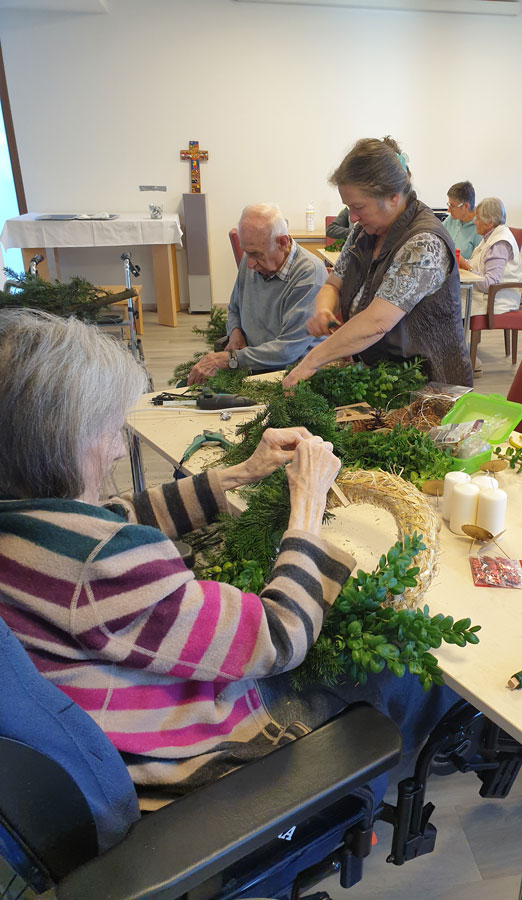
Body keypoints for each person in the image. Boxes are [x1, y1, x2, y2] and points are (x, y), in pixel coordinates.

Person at [0, 309, 459, 804]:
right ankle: (415, 766)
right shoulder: (103, 567)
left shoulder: (28, 528)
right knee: (403, 667)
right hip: (183, 752)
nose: (117, 450)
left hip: (112, 723)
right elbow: (281, 637)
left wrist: (241, 472)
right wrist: (307, 507)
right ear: (62, 444)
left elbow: (114, 514)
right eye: (110, 431)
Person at [282, 137, 473, 390]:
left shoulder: (424, 243)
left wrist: (312, 361)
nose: (352, 217)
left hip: (428, 390)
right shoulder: (364, 231)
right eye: (349, 207)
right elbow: (333, 285)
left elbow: (377, 322)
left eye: (359, 206)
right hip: (382, 383)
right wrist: (323, 310)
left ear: (393, 196)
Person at [187, 204, 327, 385]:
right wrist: (235, 332)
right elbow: (234, 308)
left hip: (291, 374)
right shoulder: (251, 259)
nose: (250, 264)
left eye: (256, 255)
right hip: (253, 363)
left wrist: (229, 359)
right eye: (246, 252)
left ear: (283, 242)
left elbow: (286, 351)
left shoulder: (309, 274)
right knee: (188, 388)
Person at [457, 197, 522, 317]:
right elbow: (480, 264)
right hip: (485, 295)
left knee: (446, 306)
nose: (474, 222)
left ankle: (455, 336)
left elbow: (490, 285)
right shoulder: (490, 236)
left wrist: (467, 267)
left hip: (496, 300)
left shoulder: (499, 244)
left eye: (478, 218)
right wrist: (463, 263)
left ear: (490, 222)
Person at [442, 181, 482, 260]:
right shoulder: (452, 219)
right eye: (449, 205)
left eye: (452, 206)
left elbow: (477, 263)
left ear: (466, 206)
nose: (449, 210)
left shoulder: (481, 226)